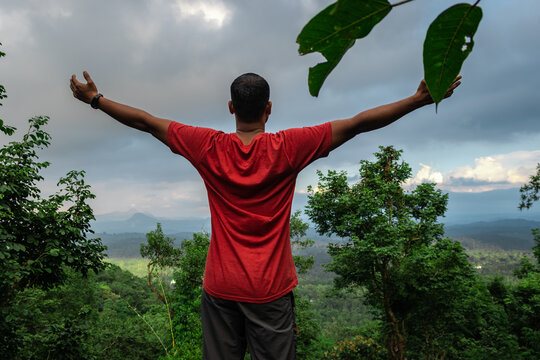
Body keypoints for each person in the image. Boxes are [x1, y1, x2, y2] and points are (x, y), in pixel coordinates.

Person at [70, 71, 460, 359]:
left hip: (220, 288)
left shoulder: (207, 146)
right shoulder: (289, 147)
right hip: (270, 291)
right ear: (269, 109)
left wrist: (95, 99)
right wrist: (418, 100)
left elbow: (146, 122)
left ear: (230, 108)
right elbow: (358, 124)